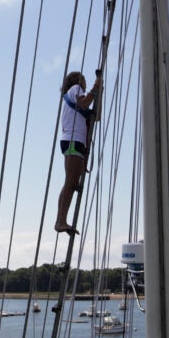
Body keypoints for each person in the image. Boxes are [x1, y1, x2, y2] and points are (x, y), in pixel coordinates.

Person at [54, 71, 101, 234]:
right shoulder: (75, 89)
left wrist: (98, 93)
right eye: (83, 79)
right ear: (76, 80)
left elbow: (97, 116)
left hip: (76, 142)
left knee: (72, 181)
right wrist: (96, 87)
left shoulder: (75, 96)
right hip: (73, 140)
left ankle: (61, 219)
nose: (85, 82)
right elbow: (85, 103)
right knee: (70, 182)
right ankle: (60, 221)